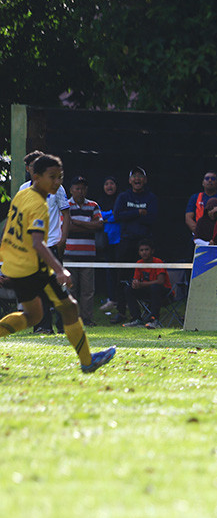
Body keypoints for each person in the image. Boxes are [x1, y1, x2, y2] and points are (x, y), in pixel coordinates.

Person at [0, 154, 115, 372]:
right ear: (35, 176)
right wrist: (60, 269)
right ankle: (87, 361)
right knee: (69, 307)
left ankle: (87, 361)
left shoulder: (21, 195)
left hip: (18, 265)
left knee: (33, 315)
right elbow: (37, 243)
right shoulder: (38, 204)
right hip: (30, 265)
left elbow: (9, 233)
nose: (57, 182)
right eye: (51, 177)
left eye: (60, 177)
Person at [19, 151, 70, 334]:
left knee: (57, 287)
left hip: (51, 245)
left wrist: (63, 239)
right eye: (33, 165)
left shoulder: (57, 187)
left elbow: (66, 213)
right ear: (28, 169)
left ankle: (65, 325)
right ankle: (43, 326)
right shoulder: (23, 189)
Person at [113, 166, 158, 322]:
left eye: (140, 176)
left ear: (145, 180)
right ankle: (121, 312)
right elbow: (117, 216)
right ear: (130, 180)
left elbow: (152, 218)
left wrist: (130, 216)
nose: (137, 179)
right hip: (126, 241)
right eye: (134, 176)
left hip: (144, 242)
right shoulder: (124, 197)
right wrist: (138, 213)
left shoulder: (150, 197)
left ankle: (149, 314)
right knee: (122, 277)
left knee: (146, 277)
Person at [64, 176, 104, 325]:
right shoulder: (65, 205)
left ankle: (87, 319)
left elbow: (100, 225)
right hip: (69, 254)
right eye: (77, 188)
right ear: (71, 190)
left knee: (88, 290)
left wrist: (77, 222)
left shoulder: (93, 205)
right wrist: (88, 224)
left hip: (88, 255)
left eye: (83, 188)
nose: (81, 191)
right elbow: (66, 227)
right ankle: (72, 319)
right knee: (70, 289)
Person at [122, 239, 173, 329]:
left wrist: (141, 284)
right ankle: (136, 319)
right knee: (128, 289)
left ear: (152, 251)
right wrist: (135, 283)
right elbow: (136, 280)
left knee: (155, 287)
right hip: (148, 291)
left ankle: (154, 320)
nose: (144, 252)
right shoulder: (139, 263)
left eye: (146, 250)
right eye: (141, 250)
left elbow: (160, 281)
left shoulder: (158, 262)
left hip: (163, 293)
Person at [96, 175, 121, 313]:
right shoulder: (99, 201)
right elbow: (99, 216)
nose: (109, 186)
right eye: (107, 183)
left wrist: (109, 216)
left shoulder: (120, 199)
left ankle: (122, 299)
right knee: (109, 270)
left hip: (120, 240)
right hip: (106, 240)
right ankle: (112, 299)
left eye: (112, 183)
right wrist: (111, 215)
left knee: (120, 270)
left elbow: (118, 215)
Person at [184, 170, 217, 246]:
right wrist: (198, 231)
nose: (210, 180)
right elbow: (188, 218)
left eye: (213, 178)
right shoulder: (195, 197)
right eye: (207, 178)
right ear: (203, 183)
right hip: (199, 234)